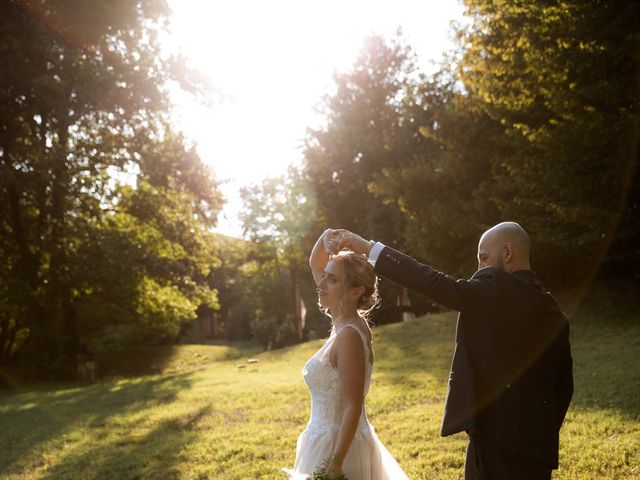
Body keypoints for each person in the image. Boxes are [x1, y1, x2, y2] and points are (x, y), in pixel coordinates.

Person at [331, 222, 573, 480]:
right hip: (537, 448)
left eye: (483, 257)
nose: (479, 268)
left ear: (507, 252)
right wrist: (540, 429)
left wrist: (370, 249)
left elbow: (435, 283)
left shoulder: (494, 285)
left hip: (494, 441)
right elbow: (564, 385)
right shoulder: (552, 310)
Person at [283, 229, 410, 480]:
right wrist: (328, 235)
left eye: (331, 279)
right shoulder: (343, 318)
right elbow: (314, 262)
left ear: (354, 292)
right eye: (325, 276)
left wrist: (336, 463)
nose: (320, 284)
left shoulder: (350, 334)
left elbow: (353, 406)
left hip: (339, 448)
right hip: (324, 438)